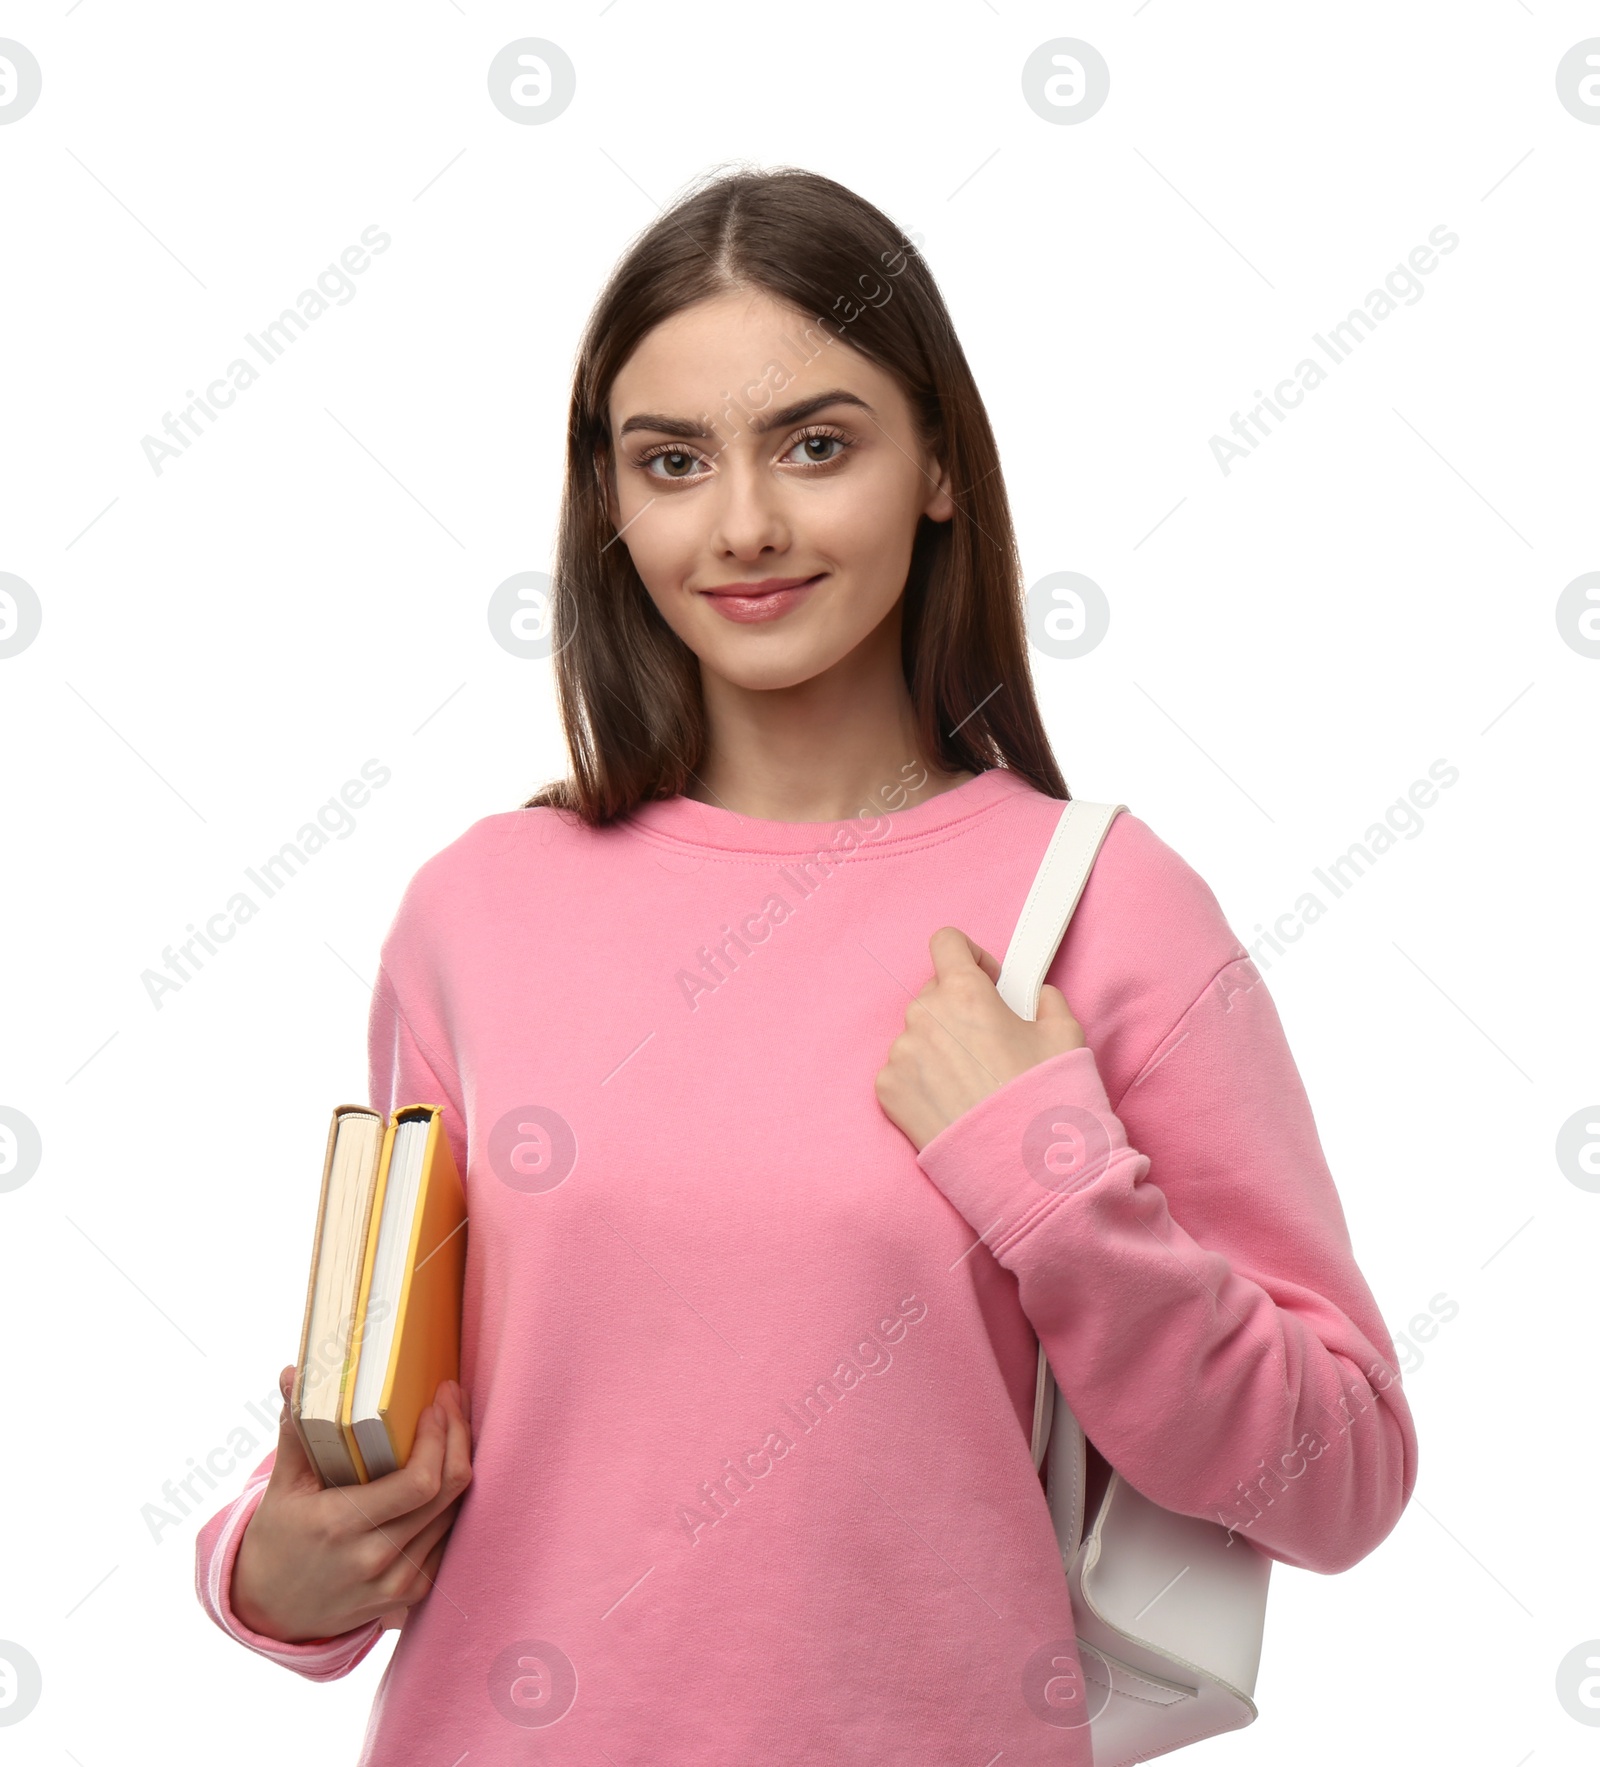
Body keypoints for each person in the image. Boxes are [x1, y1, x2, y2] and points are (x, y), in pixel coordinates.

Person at [194, 163, 1418, 1765]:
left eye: (816, 445)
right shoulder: (474, 913)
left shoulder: (1106, 905)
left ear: (937, 470)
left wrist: (1048, 1180)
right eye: (674, 462)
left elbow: (1338, 1481)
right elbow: (407, 1418)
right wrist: (269, 1573)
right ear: (611, 501)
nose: (746, 524)